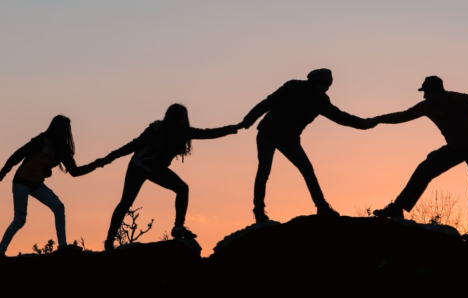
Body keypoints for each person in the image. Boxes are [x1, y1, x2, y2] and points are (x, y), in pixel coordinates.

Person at [371, 76, 468, 246]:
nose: (425, 97)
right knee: (425, 168)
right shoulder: (427, 106)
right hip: (455, 147)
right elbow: (404, 115)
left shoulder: (459, 99)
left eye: (427, 93)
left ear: (438, 92)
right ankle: (398, 207)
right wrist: (378, 119)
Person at [240, 68, 374, 223]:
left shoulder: (321, 101)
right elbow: (268, 103)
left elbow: (340, 117)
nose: (325, 88)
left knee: (307, 169)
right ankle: (259, 211)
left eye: (328, 86)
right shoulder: (293, 87)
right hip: (268, 133)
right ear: (314, 82)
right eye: (323, 84)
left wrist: (363, 124)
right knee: (264, 170)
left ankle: (322, 207)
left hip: (290, 139)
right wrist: (248, 120)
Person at [102, 103, 241, 251]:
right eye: (179, 117)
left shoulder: (184, 133)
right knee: (126, 202)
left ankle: (178, 227)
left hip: (156, 170)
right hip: (138, 167)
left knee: (182, 188)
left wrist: (233, 128)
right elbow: (133, 145)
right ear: (171, 118)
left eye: (184, 117)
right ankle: (109, 240)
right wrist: (110, 157)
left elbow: (208, 133)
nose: (182, 120)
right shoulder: (156, 129)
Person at [0, 115, 106, 256]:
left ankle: (62, 246)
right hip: (21, 181)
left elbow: (75, 172)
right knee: (19, 219)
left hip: (36, 184)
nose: (68, 132)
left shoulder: (62, 149)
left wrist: (96, 164)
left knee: (58, 207)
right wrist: (2, 174)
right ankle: (1, 251)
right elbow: (17, 156)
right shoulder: (40, 141)